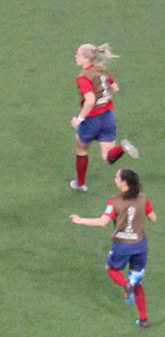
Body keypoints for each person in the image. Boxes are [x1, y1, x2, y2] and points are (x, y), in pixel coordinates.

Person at [71, 168, 155, 328]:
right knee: (136, 281)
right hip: (140, 246)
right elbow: (153, 217)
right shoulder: (143, 199)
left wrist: (81, 220)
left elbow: (102, 222)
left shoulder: (114, 201)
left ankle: (125, 285)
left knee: (110, 268)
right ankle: (144, 319)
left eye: (117, 177)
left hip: (122, 246)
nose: (115, 178)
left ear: (124, 182)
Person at [70, 43, 138, 192]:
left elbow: (90, 100)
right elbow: (115, 88)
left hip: (91, 120)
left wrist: (79, 119)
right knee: (108, 158)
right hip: (108, 118)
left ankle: (80, 184)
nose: (76, 56)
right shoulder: (102, 69)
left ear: (86, 58)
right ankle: (123, 148)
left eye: (78, 54)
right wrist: (104, 102)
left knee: (81, 149)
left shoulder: (83, 77)